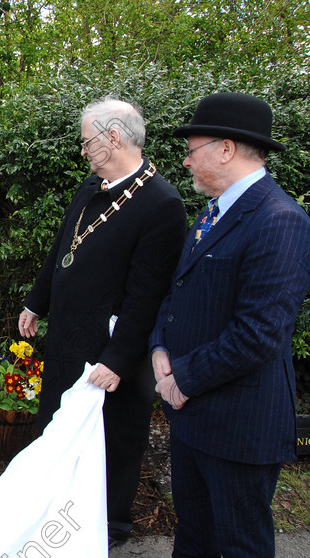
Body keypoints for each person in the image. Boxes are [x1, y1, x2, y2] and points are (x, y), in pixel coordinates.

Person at [18, 97, 188, 548]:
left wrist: (117, 358)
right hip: (70, 337)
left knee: (111, 438)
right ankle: (57, 506)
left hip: (114, 352)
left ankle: (109, 524)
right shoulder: (92, 186)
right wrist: (37, 302)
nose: (83, 151)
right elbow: (63, 250)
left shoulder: (162, 204)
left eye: (87, 140)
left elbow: (148, 296)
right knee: (58, 424)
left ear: (113, 138)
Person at [150, 92, 310, 557]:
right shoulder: (211, 214)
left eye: (192, 150)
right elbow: (177, 293)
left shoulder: (280, 220)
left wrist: (183, 378)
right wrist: (159, 348)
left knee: (240, 543)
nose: (185, 162)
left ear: (225, 149)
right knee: (194, 536)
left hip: (241, 425)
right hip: (191, 417)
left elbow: (260, 333)